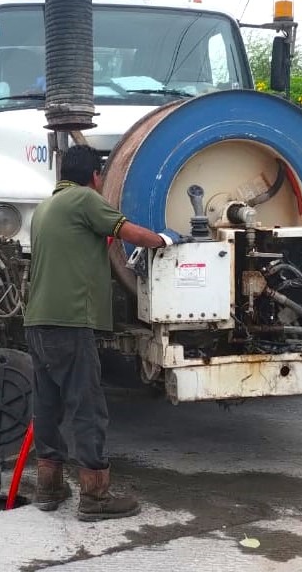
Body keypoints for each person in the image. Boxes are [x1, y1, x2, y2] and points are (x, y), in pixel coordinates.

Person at [24, 144, 187, 521]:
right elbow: (131, 232)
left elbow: (81, 246)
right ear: (95, 176)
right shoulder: (84, 199)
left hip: (38, 321)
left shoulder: (47, 207)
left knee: (47, 404)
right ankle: (95, 496)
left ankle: (48, 487)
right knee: (87, 407)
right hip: (70, 322)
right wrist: (166, 239)